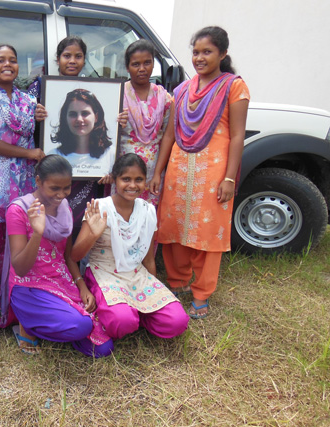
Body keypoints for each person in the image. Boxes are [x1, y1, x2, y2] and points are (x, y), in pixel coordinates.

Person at [149, 26, 250, 319]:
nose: (199, 58)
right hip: (180, 170)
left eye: (207, 52)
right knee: (174, 227)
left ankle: (202, 293)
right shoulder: (182, 89)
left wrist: (229, 178)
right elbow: (169, 135)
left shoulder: (234, 87)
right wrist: (159, 172)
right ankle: (178, 282)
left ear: (223, 54)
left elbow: (237, 136)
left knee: (208, 232)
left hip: (213, 172)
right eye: (196, 52)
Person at [71, 154, 189, 344]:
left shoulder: (147, 210)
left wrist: (154, 292)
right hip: (104, 273)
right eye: (126, 179)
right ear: (115, 179)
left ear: (145, 181)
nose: (132, 185)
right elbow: (75, 255)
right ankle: (129, 315)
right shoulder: (100, 207)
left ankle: (134, 313)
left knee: (177, 321)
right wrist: (93, 233)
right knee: (122, 322)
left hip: (136, 274)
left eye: (138, 180)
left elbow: (148, 259)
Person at [4, 155, 112, 356]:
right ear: (38, 181)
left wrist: (82, 287)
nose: (61, 194)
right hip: (29, 286)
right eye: (54, 188)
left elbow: (68, 256)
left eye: (66, 188)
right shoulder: (18, 211)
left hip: (60, 282)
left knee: (103, 348)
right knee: (81, 325)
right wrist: (37, 233)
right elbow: (20, 268)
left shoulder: (65, 209)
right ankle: (27, 326)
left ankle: (60, 323)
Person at [0, 43, 46, 305]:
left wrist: (43, 117)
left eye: (12, 60)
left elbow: (41, 132)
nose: (7, 65)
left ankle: (16, 293)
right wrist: (29, 154)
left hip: (24, 179)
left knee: (19, 234)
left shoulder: (29, 100)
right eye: (0, 60)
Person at [28, 37, 107, 237]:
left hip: (87, 176)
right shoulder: (39, 87)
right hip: (52, 167)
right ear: (57, 59)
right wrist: (34, 117)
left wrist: (118, 119)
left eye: (78, 56)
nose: (72, 61)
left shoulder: (99, 89)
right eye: (67, 56)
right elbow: (22, 123)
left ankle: (74, 263)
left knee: (80, 225)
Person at [115, 39, 173, 207]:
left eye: (147, 63)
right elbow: (106, 133)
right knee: (121, 216)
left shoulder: (165, 98)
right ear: (127, 67)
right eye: (135, 64)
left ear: (153, 64)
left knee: (146, 218)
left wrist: (157, 173)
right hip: (123, 171)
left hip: (152, 171)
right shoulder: (118, 94)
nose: (142, 69)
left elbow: (168, 137)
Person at [49, 88, 115, 177]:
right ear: (65, 118)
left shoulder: (111, 154)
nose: (79, 119)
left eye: (85, 113)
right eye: (73, 114)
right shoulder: (53, 156)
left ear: (96, 117)